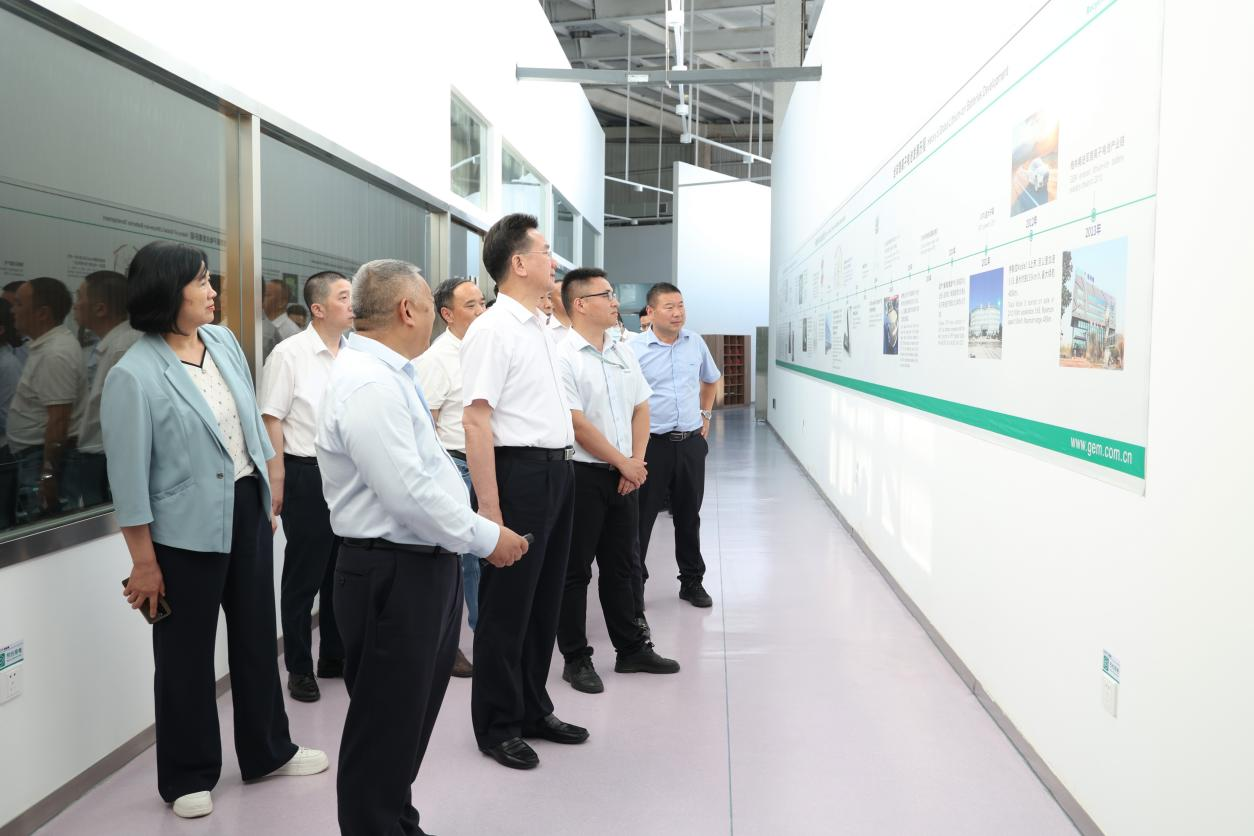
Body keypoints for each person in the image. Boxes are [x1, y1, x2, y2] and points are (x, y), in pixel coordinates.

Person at [102, 241, 327, 820]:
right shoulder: (133, 374)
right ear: (166, 291)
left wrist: (269, 483)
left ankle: (268, 750)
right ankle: (187, 774)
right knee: (185, 657)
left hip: (246, 510)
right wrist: (144, 563)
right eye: (201, 281)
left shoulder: (222, 341)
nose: (212, 291)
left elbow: (249, 420)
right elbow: (128, 482)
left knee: (256, 638)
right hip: (181, 533)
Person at [317, 259, 527, 835]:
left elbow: (425, 475)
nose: (436, 317)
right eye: (432, 308)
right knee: (384, 727)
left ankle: (396, 822)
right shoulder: (368, 382)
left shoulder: (392, 374)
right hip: (391, 572)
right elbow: (408, 494)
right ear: (408, 310)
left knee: (405, 724)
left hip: (420, 566)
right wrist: (487, 538)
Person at [462, 213, 586, 770]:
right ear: (518, 263)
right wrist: (490, 512)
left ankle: (534, 708)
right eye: (545, 251)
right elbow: (475, 420)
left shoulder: (538, 324)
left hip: (557, 472)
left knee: (543, 603)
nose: (553, 261)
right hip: (518, 475)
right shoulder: (493, 329)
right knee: (507, 608)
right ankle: (497, 725)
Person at [555, 268, 680, 694]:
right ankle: (576, 658)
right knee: (575, 572)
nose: (615, 301)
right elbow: (576, 423)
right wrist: (622, 463)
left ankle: (631, 649)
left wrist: (635, 462)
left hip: (626, 473)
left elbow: (641, 407)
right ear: (580, 304)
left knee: (623, 566)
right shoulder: (563, 355)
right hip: (584, 475)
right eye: (605, 295)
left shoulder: (622, 350)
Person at [259, 271, 354, 703]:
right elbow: (271, 418)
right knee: (304, 577)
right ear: (318, 308)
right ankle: (299, 666)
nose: (352, 303)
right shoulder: (289, 354)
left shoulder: (353, 353)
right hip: (305, 474)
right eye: (343, 296)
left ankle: (334, 656)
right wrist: (276, 478)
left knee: (340, 572)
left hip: (346, 475)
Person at [631, 282, 721, 618]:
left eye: (681, 305)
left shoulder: (694, 342)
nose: (677, 312)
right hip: (651, 446)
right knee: (641, 519)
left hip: (690, 444)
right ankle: (635, 586)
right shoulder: (634, 349)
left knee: (688, 515)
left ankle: (692, 582)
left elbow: (711, 379)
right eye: (669, 306)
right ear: (651, 312)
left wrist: (705, 414)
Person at [416, 276, 487, 679]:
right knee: (462, 560)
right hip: (457, 467)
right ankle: (452, 644)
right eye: (471, 306)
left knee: (484, 555)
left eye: (482, 303)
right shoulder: (437, 359)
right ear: (447, 314)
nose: (481, 311)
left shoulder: (484, 350)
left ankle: (485, 633)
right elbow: (426, 426)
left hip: (487, 463)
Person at [8, 277, 82, 521]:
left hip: (41, 459)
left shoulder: (55, 353)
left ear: (42, 313)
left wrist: (48, 475)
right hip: (35, 456)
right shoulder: (47, 347)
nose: (12, 310)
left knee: (46, 526)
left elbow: (59, 421)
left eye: (18, 304)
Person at [65, 270, 140, 508]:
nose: (75, 305)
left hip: (106, 457)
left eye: (80, 297)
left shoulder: (122, 346)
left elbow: (127, 416)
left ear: (100, 309)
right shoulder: (115, 343)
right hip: (101, 455)